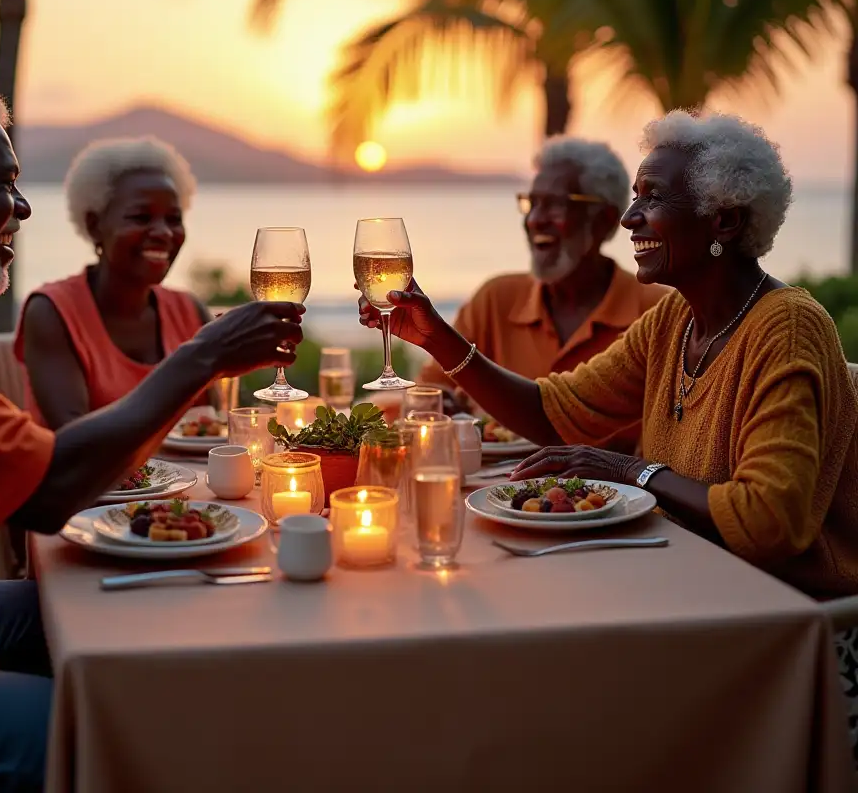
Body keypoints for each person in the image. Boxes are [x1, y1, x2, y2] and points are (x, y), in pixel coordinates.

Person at [0, 79, 303, 792]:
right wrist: (198, 357)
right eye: (7, 185)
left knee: (147, 596)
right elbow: (48, 491)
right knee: (151, 735)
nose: (21, 209)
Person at [361, 111, 858, 601]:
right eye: (636, 195)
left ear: (723, 220)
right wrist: (434, 338)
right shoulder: (673, 322)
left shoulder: (787, 327)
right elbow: (556, 412)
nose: (628, 217)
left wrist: (630, 472)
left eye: (654, 198)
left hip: (778, 610)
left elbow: (769, 521)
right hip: (680, 576)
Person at [417, 137, 667, 440]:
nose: (534, 220)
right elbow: (429, 393)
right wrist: (442, 405)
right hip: (499, 485)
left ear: (603, 221)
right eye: (532, 203)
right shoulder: (495, 300)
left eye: (555, 205)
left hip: (612, 488)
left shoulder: (655, 313)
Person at [16, 137, 215, 431]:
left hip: (191, 479)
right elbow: (77, 444)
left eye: (173, 218)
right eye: (140, 217)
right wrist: (191, 362)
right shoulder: (52, 312)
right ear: (95, 225)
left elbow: (215, 428)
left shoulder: (189, 311)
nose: (162, 232)